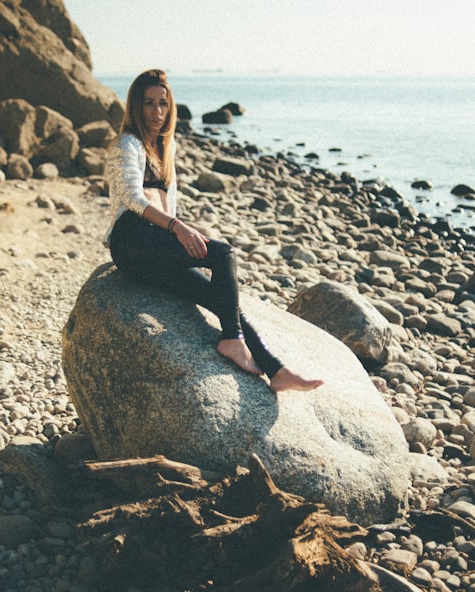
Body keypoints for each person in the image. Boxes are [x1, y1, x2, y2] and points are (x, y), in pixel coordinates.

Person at [103, 69, 323, 392]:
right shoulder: (126, 144)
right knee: (223, 254)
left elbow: (167, 204)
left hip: (152, 246)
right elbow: (132, 198)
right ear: (136, 107)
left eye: (163, 103)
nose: (157, 112)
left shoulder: (166, 148)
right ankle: (232, 341)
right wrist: (178, 229)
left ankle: (276, 370)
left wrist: (178, 232)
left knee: (216, 294)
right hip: (130, 240)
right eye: (149, 103)